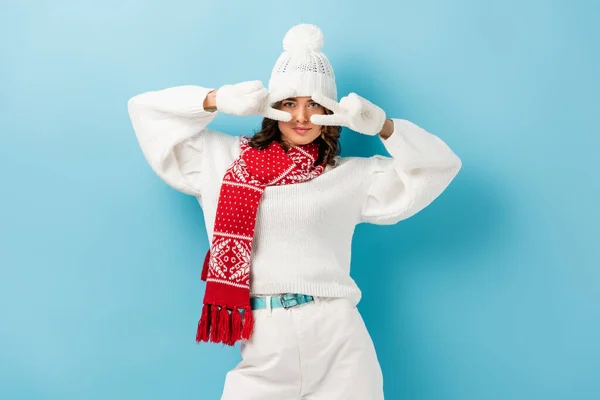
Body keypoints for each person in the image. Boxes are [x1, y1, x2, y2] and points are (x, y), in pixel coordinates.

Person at [128, 23, 461, 400]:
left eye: (314, 104)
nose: (301, 117)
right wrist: (217, 99)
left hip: (339, 342)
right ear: (271, 108)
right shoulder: (219, 159)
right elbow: (144, 111)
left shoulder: (352, 175)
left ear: (331, 111)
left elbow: (440, 167)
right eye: (289, 103)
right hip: (263, 342)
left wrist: (384, 127)